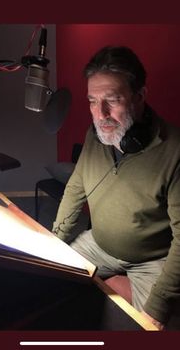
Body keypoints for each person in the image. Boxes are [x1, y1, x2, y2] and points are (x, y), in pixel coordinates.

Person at [52, 46, 180, 330]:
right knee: (50, 280)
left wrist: (157, 305)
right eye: (93, 101)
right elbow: (76, 188)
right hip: (99, 245)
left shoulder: (175, 151)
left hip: (152, 259)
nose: (101, 114)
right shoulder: (94, 135)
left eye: (112, 100)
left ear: (140, 97)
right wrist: (53, 243)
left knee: (145, 326)